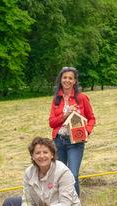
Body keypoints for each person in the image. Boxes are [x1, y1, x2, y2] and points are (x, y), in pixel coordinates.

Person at [48, 67, 96, 195]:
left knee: (73, 174)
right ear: (61, 79)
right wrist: (65, 115)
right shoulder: (56, 100)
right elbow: (51, 123)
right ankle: (62, 203)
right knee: (61, 175)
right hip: (59, 141)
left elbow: (91, 118)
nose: (67, 80)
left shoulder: (82, 98)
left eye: (70, 78)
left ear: (75, 81)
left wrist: (87, 131)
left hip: (76, 142)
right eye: (64, 78)